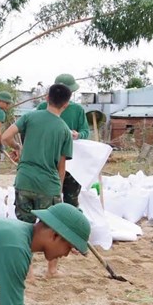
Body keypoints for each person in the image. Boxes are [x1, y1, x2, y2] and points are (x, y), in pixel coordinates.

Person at [0, 83, 73, 277]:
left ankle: (29, 271)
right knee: (53, 228)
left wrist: (18, 148)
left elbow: (5, 136)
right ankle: (52, 270)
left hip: (24, 181)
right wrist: (58, 189)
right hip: (48, 185)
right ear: (66, 104)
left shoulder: (30, 117)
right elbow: (61, 167)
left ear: (47, 97)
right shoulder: (65, 130)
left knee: (25, 228)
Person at [36, 74, 89, 207]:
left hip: (72, 162)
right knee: (48, 198)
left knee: (71, 198)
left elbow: (85, 131)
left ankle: (70, 224)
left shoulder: (77, 110)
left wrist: (78, 135)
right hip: (48, 160)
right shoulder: (42, 107)